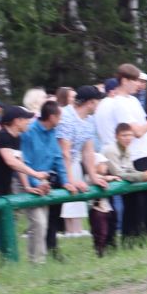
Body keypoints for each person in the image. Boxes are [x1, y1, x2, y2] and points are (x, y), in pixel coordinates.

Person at [96, 64, 147, 242]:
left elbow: (145, 132)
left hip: (145, 154)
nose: (138, 84)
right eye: (135, 80)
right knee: (136, 202)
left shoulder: (133, 101)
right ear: (124, 80)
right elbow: (137, 132)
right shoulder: (119, 104)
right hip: (134, 156)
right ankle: (133, 239)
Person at [0, 105, 46, 274]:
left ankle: (5, 267)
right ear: (16, 121)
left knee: (5, 230)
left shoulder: (16, 138)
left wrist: (27, 186)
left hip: (3, 192)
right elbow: (11, 162)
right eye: (26, 119)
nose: (29, 122)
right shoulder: (2, 137)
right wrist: (36, 174)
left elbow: (18, 163)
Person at [56, 85, 107, 239]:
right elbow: (63, 151)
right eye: (98, 101)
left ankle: (75, 230)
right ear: (91, 102)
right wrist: (70, 180)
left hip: (73, 160)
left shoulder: (90, 120)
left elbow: (88, 150)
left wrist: (93, 176)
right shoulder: (66, 116)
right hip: (57, 164)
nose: (99, 105)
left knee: (78, 195)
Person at [18, 101, 67, 262]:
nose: (61, 120)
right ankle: (37, 261)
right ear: (52, 117)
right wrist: (34, 182)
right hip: (27, 182)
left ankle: (39, 259)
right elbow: (25, 162)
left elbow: (58, 157)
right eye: (59, 116)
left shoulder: (52, 131)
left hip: (44, 182)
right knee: (38, 222)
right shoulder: (29, 132)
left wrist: (65, 180)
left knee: (43, 223)